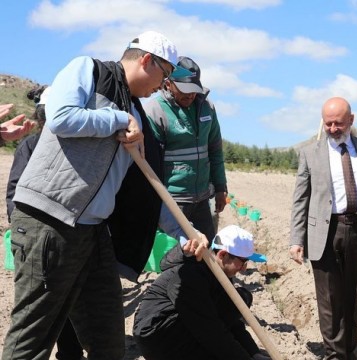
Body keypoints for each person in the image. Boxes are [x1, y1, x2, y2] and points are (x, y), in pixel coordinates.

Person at [2, 31, 209, 360]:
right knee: (33, 338)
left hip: (93, 232)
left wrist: (185, 233)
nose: (164, 85)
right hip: (49, 222)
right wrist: (117, 119)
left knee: (107, 339)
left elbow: (146, 189)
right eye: (165, 74)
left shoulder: (137, 115)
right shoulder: (89, 70)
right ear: (145, 60)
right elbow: (60, 117)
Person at [289, 97, 357, 360]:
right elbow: (300, 199)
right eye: (327, 123)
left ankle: (352, 350)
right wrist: (296, 239)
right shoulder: (310, 153)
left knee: (351, 295)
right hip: (324, 233)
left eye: (338, 123)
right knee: (330, 302)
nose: (332, 128)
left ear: (351, 121)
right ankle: (335, 355)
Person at [4, 85, 85, 360]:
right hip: (37, 237)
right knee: (40, 304)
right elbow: (15, 190)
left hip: (72, 236)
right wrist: (21, 229)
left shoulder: (79, 146)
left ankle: (70, 353)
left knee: (70, 301)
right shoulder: (31, 144)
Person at [133, 225, 271, 359]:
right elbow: (209, 328)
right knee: (218, 337)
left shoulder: (218, 273)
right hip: (159, 340)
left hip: (178, 329)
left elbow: (232, 322)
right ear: (222, 254)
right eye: (243, 262)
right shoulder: (191, 275)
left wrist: (253, 352)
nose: (243, 269)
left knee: (240, 298)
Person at [144, 56, 227, 241]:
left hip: (202, 198)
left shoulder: (207, 107)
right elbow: (151, 163)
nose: (190, 95)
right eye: (184, 90)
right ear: (168, 83)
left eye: (194, 90)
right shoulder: (155, 111)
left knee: (206, 252)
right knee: (177, 255)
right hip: (174, 201)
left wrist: (220, 187)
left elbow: (215, 150)